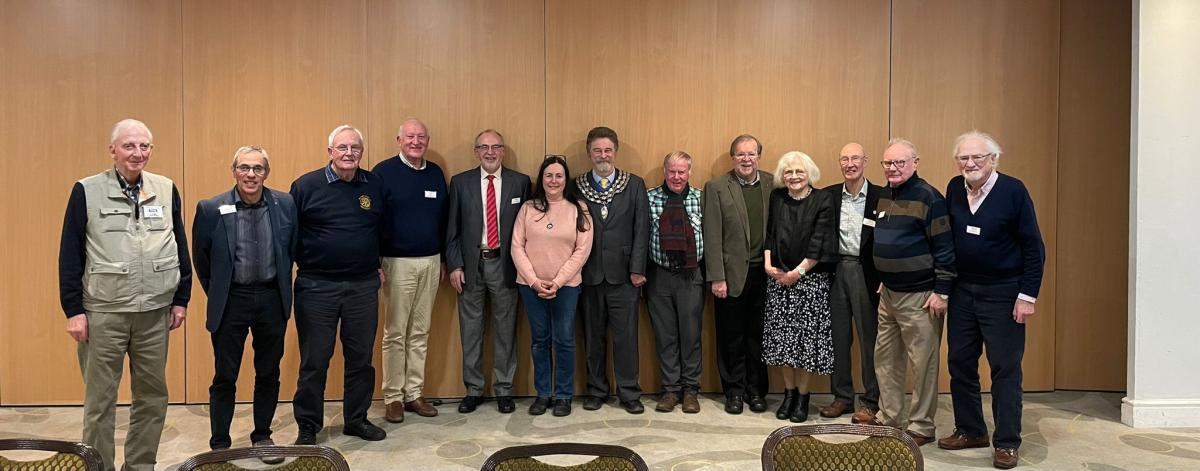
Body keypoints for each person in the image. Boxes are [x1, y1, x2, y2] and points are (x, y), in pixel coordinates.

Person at [58, 118, 192, 471]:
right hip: (104, 312)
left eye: (144, 146)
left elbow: (180, 245)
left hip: (154, 312)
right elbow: (70, 253)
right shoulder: (86, 189)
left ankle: (140, 465)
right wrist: (74, 310)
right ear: (113, 150)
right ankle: (98, 466)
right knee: (100, 401)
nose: (138, 153)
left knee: (152, 397)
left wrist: (182, 298)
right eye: (130, 146)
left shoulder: (165, 188)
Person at [938, 131, 1045, 470]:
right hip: (963, 291)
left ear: (993, 160)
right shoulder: (955, 188)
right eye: (964, 158)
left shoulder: (1013, 191)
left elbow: (1033, 247)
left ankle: (1007, 442)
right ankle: (971, 430)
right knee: (960, 363)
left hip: (1004, 293)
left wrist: (1026, 296)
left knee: (1005, 368)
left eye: (977, 158)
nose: (970, 164)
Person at [192, 146, 296, 460]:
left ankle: (262, 436)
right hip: (231, 301)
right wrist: (220, 292)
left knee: (268, 372)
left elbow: (291, 248)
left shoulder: (285, 204)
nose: (251, 175)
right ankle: (220, 444)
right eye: (244, 168)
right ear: (234, 170)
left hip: (271, 299)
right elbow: (201, 258)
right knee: (225, 374)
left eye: (258, 168)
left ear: (267, 172)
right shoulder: (211, 208)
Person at [290, 125, 387, 443]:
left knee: (361, 359)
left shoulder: (372, 183)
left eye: (355, 148)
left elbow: (380, 229)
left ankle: (356, 419)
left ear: (362, 151)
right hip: (317, 287)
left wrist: (378, 264)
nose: (349, 153)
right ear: (330, 151)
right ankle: (308, 424)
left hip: (362, 287)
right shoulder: (306, 186)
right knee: (315, 360)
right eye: (342, 147)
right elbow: (289, 236)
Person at [868, 138, 956, 446]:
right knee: (886, 359)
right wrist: (883, 276)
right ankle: (888, 416)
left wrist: (941, 291)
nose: (892, 169)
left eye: (899, 163)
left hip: (920, 296)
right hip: (889, 293)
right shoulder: (883, 196)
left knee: (923, 364)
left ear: (915, 163)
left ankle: (921, 426)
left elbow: (945, 249)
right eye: (888, 163)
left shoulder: (930, 198)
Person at [445, 129, 531, 414]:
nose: (490, 152)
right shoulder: (460, 182)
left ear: (503, 151)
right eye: (484, 147)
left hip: (505, 265)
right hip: (471, 265)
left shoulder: (521, 183)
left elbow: (529, 228)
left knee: (506, 328)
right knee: (471, 329)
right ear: (476, 151)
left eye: (495, 147)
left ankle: (504, 388)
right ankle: (473, 389)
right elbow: (452, 229)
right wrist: (455, 265)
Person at [373, 117, 449, 423]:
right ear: (399, 140)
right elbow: (374, 221)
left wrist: (444, 260)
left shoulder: (434, 173)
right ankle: (393, 396)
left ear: (427, 141)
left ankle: (414, 393)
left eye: (421, 137)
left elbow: (443, 219)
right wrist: (376, 261)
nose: (416, 141)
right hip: (397, 263)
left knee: (420, 331)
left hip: (431, 261)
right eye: (410, 137)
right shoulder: (383, 172)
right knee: (395, 332)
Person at [574, 126, 649, 414]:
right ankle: (596, 390)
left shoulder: (634, 184)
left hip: (625, 275)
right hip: (589, 273)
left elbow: (641, 229)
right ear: (589, 153)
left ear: (615, 151)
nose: (603, 155)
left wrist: (638, 269)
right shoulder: (577, 185)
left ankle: (629, 392)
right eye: (597, 150)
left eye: (607, 150)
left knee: (626, 337)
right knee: (593, 337)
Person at [511, 155, 593, 417]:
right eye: (549, 175)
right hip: (530, 286)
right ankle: (543, 394)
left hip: (566, 287)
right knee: (539, 341)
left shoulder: (579, 208)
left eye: (559, 176)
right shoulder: (528, 208)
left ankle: (564, 396)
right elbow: (516, 247)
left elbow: (582, 251)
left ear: (565, 179)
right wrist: (535, 281)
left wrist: (557, 282)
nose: (553, 180)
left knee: (565, 340)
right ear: (541, 179)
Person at [761, 151, 837, 423]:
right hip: (778, 279)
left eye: (799, 172)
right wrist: (768, 265)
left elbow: (820, 242)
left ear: (810, 174)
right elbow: (769, 233)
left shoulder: (822, 199)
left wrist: (798, 272)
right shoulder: (778, 198)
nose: (793, 177)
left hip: (809, 282)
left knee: (805, 345)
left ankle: (803, 398)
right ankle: (788, 394)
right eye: (789, 172)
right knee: (783, 344)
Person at [703, 134, 774, 414]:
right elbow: (712, 235)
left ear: (759, 156)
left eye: (751, 154)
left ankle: (756, 391)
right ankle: (733, 391)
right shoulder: (717, 187)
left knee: (759, 336)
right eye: (741, 155)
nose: (747, 159)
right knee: (731, 337)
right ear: (733, 158)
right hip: (730, 276)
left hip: (765, 274)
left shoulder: (772, 183)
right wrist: (717, 276)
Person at [819, 143, 885, 423]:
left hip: (866, 273)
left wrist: (886, 275)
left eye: (855, 158)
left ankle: (871, 401)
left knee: (870, 340)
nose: (850, 163)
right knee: (839, 338)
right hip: (836, 272)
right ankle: (842, 397)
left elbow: (891, 238)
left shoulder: (883, 196)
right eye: (844, 158)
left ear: (865, 161)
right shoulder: (829, 195)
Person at [645, 151, 705, 413]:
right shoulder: (649, 198)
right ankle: (671, 390)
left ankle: (691, 391)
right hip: (659, 274)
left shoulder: (701, 198)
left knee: (691, 334)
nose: (677, 176)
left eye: (682, 171)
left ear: (689, 172)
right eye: (672, 171)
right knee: (665, 334)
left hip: (691, 274)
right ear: (664, 171)